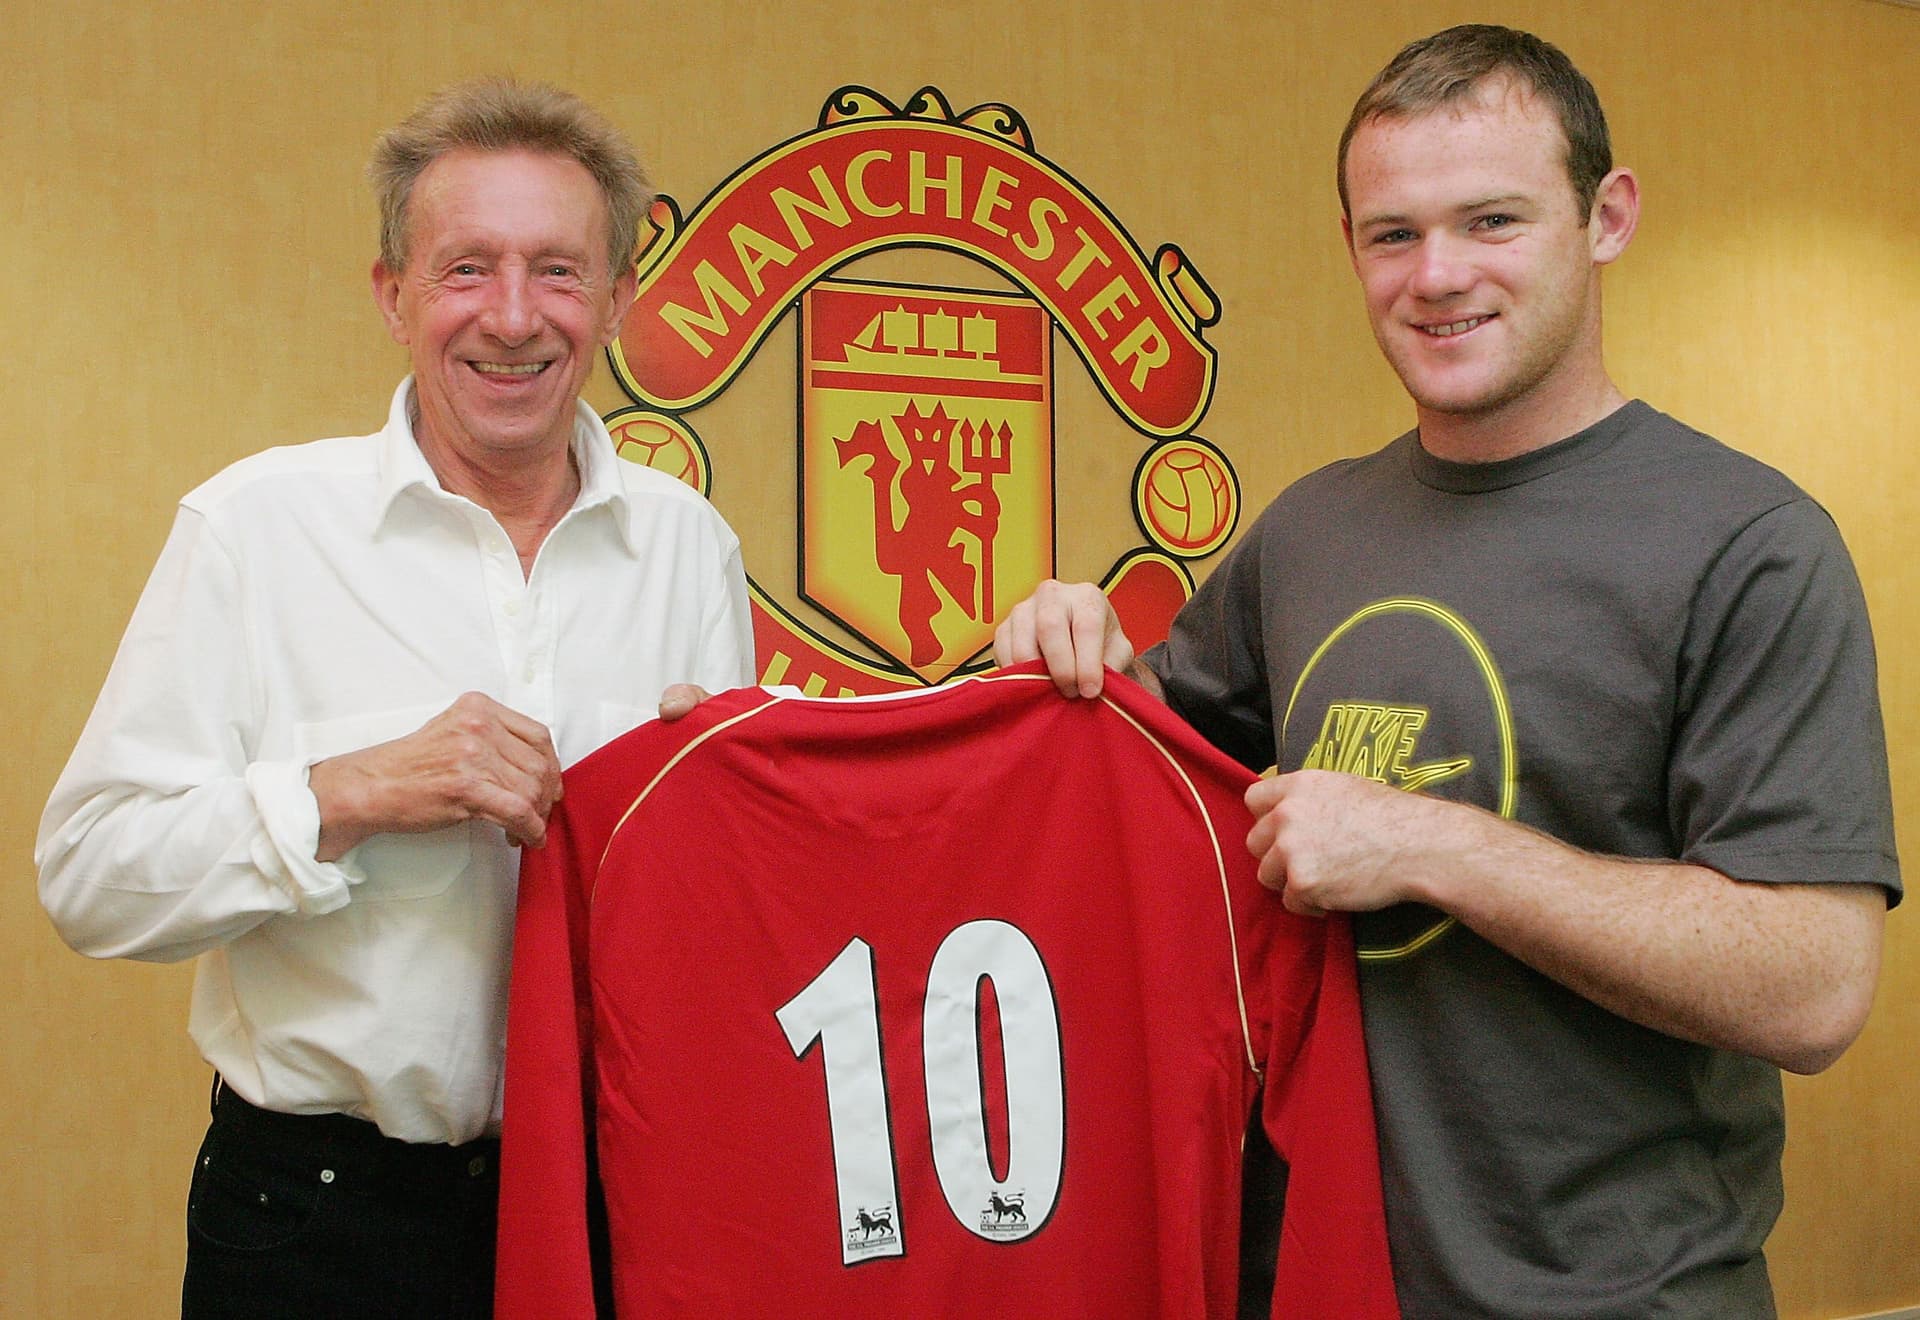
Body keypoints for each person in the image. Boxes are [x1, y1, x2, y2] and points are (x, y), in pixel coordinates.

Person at [994, 24, 1898, 1319]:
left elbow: (1814, 984)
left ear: (1607, 216)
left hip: (1619, 1299)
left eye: (1491, 221)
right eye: (1393, 233)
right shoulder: (1308, 531)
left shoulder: (1747, 544)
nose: (1438, 275)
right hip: (1313, 1282)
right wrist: (1063, 651)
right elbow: (1137, 798)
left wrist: (1437, 848)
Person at [37, 78, 754, 1319]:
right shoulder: (255, 529)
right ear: (394, 295)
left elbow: (731, 920)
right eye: (467, 268)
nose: (515, 318)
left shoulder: (691, 546)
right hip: (320, 1219)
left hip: (608, 1206)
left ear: (620, 302)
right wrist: (350, 793)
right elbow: (89, 878)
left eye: (561, 273)